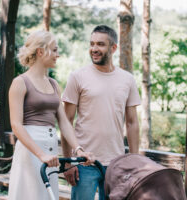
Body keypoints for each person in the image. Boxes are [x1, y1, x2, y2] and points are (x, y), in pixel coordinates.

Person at [8, 30, 94, 200]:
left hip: (50, 150)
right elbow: (16, 125)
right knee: (29, 195)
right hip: (30, 149)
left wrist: (78, 149)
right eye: (54, 50)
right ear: (40, 52)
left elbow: (63, 122)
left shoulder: (54, 84)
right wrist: (41, 155)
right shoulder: (20, 83)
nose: (58, 55)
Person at [61, 25, 141, 200]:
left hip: (116, 165)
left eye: (100, 44)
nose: (94, 49)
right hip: (84, 163)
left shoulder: (127, 79)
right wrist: (68, 161)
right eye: (92, 44)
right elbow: (66, 120)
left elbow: (133, 122)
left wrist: (134, 161)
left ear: (113, 48)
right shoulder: (77, 76)